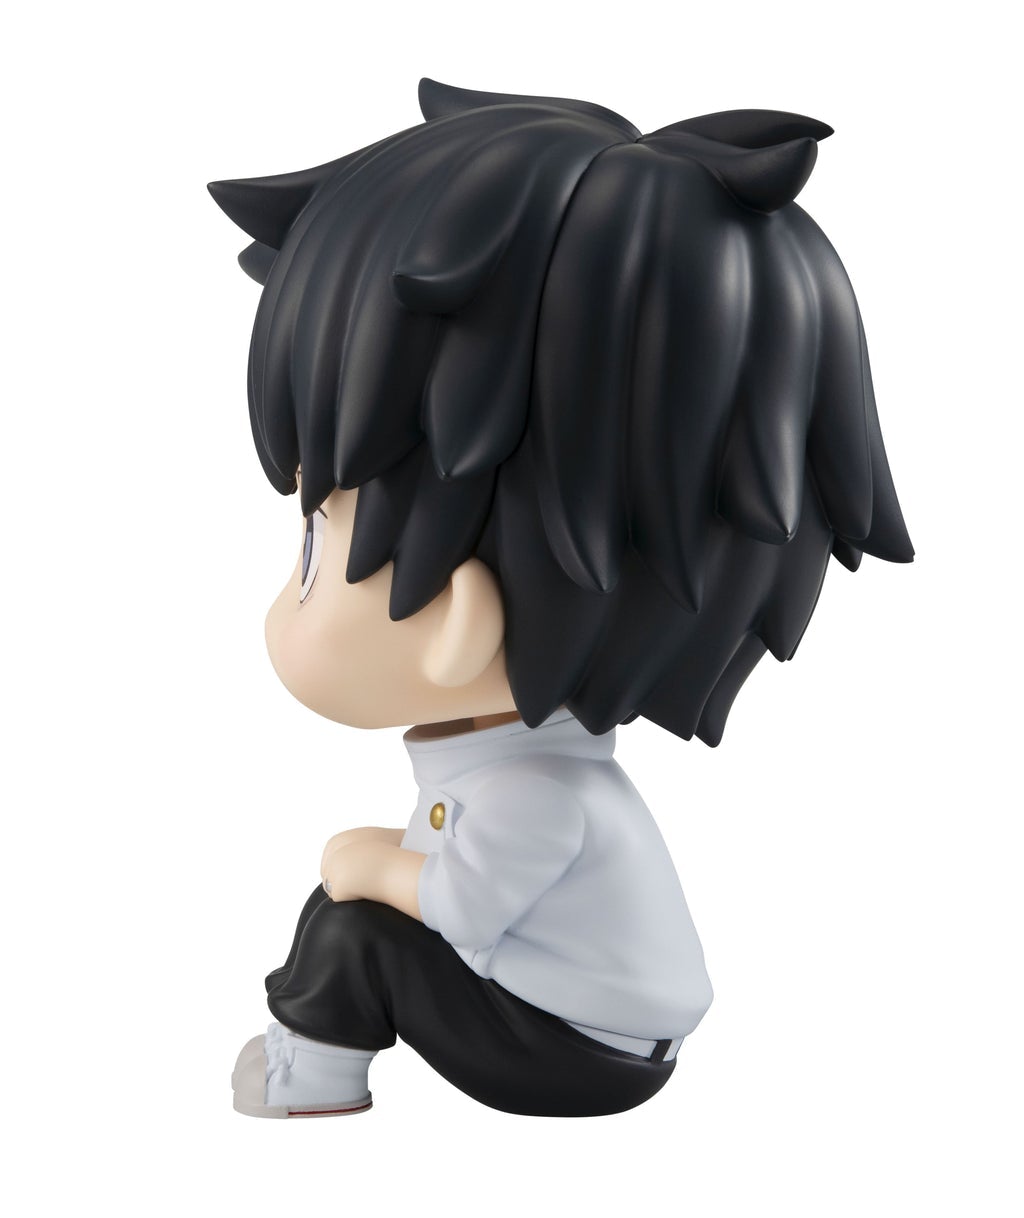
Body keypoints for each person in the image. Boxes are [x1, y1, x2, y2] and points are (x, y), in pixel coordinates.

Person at [209, 78, 913, 1119]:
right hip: (563, 1015)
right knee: (350, 903)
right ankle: (309, 1054)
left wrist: (366, 863)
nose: (294, 589)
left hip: (576, 1051)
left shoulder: (533, 795)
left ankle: (307, 1079)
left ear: (456, 623)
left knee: (351, 923)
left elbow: (457, 907)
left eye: (317, 545)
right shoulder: (517, 769)